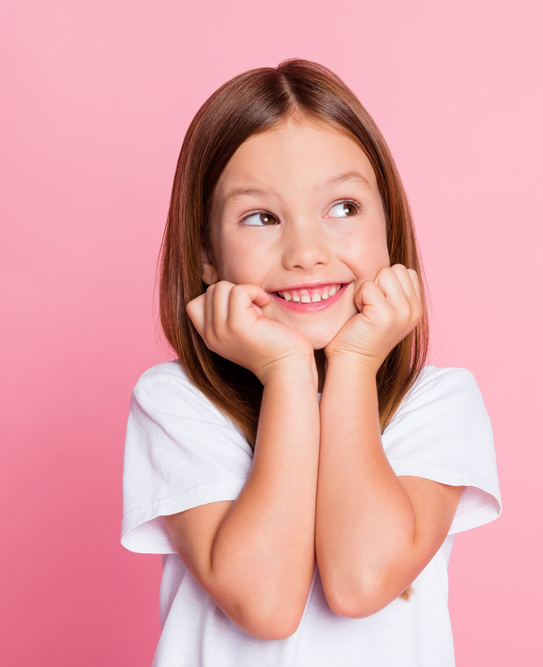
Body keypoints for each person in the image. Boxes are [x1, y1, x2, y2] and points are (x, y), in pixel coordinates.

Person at [120, 59, 501, 666]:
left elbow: (360, 581)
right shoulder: (178, 401)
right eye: (261, 218)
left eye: (343, 208)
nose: (306, 253)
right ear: (208, 258)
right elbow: (265, 603)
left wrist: (351, 361)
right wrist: (288, 374)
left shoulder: (437, 402)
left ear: (389, 227)